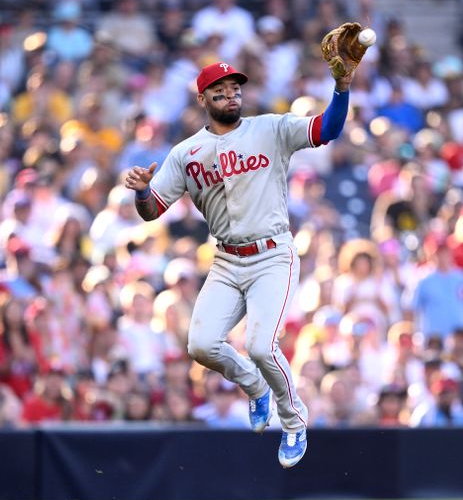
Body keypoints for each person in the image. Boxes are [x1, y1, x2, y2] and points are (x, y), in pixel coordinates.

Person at [124, 47, 357, 467]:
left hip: (272, 254)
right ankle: (255, 387)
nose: (230, 95)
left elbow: (328, 128)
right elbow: (152, 211)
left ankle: (294, 421)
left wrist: (341, 86)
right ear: (203, 99)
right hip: (228, 261)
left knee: (261, 346)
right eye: (220, 89)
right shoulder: (185, 153)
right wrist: (142, 190)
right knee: (201, 344)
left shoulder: (270, 128)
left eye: (235, 88)